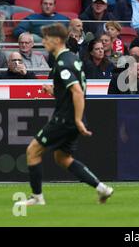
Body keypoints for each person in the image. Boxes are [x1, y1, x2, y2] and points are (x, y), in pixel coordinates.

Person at [14, 23, 114, 207]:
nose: (43, 42)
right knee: (62, 158)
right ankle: (101, 188)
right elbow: (71, 90)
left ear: (57, 40)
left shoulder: (62, 62)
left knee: (32, 152)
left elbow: (77, 91)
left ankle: (37, 197)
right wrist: (54, 90)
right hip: (72, 117)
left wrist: (76, 120)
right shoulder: (72, 59)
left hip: (65, 119)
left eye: (46, 38)